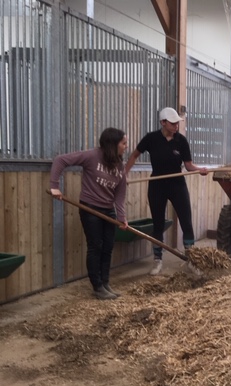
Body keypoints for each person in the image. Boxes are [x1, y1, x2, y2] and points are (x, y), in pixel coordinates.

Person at [125, 107, 208, 275]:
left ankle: (191, 260)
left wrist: (199, 170)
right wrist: (124, 174)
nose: (176, 126)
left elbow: (188, 165)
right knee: (158, 224)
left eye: (177, 123)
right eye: (172, 123)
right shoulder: (151, 138)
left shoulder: (181, 141)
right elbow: (134, 155)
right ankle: (157, 260)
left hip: (177, 185)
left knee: (186, 221)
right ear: (163, 122)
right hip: (157, 185)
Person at [49, 128, 129, 300]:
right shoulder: (92, 156)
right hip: (90, 208)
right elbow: (60, 160)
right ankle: (97, 286)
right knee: (96, 246)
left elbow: (120, 195)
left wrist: (122, 217)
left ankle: (105, 283)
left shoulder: (119, 165)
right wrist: (54, 186)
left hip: (108, 210)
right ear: (113, 144)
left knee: (108, 247)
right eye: (124, 143)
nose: (126, 146)